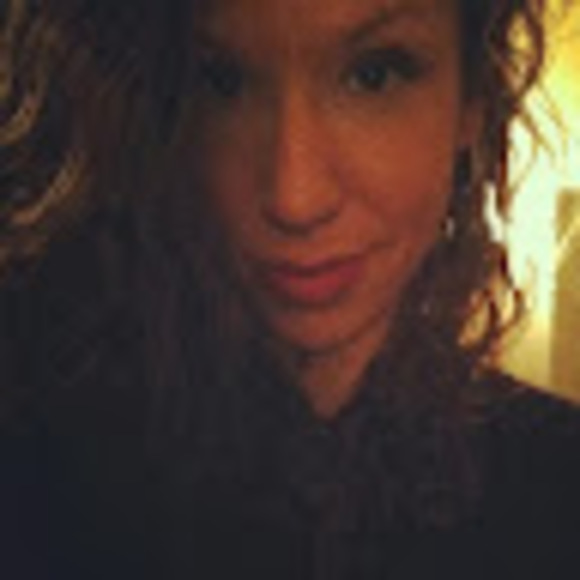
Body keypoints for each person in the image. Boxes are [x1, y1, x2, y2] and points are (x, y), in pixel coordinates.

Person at [1, 0, 580, 578]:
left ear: (473, 96)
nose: (293, 197)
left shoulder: (558, 493)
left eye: (373, 75)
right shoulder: (40, 476)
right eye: (222, 81)